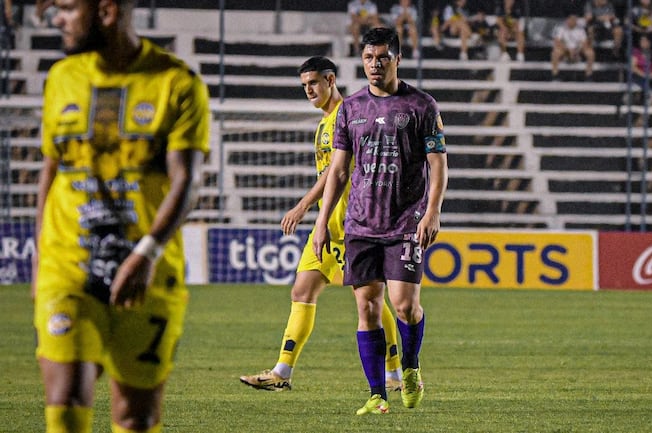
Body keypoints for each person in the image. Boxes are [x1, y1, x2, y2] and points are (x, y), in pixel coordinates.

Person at [33, 0, 210, 432]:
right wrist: (41, 253)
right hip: (69, 262)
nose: (59, 19)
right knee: (66, 396)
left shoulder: (177, 83)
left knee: (135, 416)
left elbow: (186, 182)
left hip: (145, 269)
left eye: (69, 8)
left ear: (107, 12)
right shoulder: (61, 78)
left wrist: (147, 252)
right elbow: (51, 169)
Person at [238, 56, 404, 393]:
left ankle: (396, 374)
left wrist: (303, 206)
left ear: (330, 79)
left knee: (369, 299)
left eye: (313, 83)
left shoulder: (345, 115)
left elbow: (334, 172)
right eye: (304, 86)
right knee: (303, 291)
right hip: (327, 225)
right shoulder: (326, 120)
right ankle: (281, 372)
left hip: (350, 224)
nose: (309, 90)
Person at [312, 27, 448, 415]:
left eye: (383, 58)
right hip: (359, 225)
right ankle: (376, 394)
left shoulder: (422, 106)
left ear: (397, 59)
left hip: (405, 222)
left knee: (404, 306)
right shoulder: (350, 109)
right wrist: (323, 222)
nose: (375, 64)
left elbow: (438, 166)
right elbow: (337, 173)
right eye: (369, 58)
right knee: (367, 308)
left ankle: (410, 366)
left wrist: (433, 210)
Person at [550, 13, 595, 81]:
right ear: (567, 20)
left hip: (578, 50)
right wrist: (568, 49)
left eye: (574, 20)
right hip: (565, 49)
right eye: (570, 20)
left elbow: (584, 43)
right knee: (555, 53)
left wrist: (576, 50)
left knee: (590, 53)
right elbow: (557, 41)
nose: (572, 21)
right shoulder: (561, 28)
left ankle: (588, 75)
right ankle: (555, 75)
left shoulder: (580, 30)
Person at [631, 32, 652, 105]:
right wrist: (644, 75)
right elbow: (633, 67)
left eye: (645, 41)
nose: (642, 43)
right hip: (639, 75)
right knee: (643, 82)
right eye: (641, 40)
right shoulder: (636, 52)